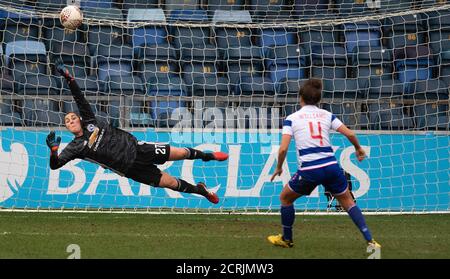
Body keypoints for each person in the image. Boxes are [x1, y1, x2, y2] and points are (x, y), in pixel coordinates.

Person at [46, 59, 228, 204]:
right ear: (68, 128)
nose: (71, 121)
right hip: (129, 168)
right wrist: (53, 152)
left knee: (180, 153)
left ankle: (207, 156)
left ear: (79, 119)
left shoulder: (90, 121)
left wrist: (69, 79)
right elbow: (56, 165)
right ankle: (202, 191)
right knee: (171, 183)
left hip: (139, 149)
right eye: (67, 122)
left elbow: (79, 98)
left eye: (72, 118)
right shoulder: (75, 147)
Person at [268, 79, 381, 249]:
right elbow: (349, 133)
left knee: (285, 198)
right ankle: (370, 240)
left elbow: (283, 149)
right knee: (348, 202)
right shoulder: (327, 115)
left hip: (310, 170)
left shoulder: (292, 119)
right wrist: (358, 148)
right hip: (331, 166)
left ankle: (287, 239)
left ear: (300, 98)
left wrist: (279, 167)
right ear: (319, 100)